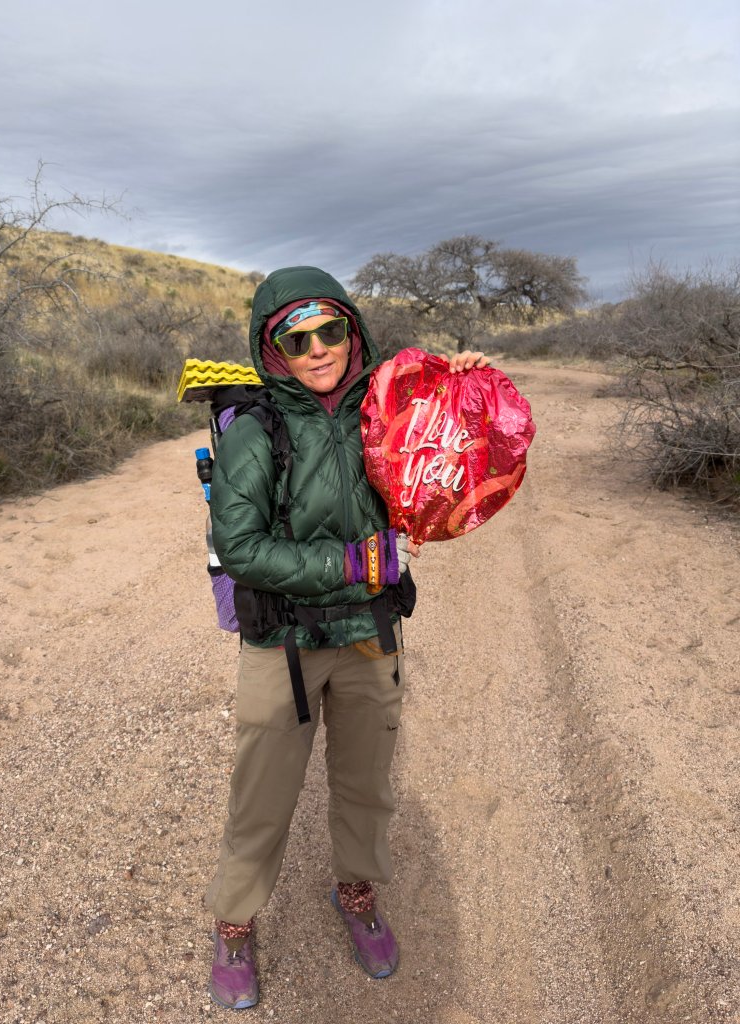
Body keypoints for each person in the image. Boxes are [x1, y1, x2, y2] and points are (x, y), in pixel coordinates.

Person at [204, 265, 489, 1010]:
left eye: (329, 329)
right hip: (284, 645)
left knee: (366, 786)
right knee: (263, 794)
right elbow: (241, 547)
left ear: (352, 329)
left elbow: (456, 457)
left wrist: (460, 387)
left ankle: (356, 890)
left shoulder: (389, 409)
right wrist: (353, 562)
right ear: (272, 350)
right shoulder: (256, 430)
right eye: (296, 339)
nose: (318, 349)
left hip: (371, 633)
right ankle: (235, 921)